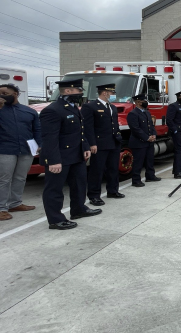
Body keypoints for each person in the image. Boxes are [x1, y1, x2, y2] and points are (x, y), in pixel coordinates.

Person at [39, 78, 102, 230]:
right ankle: (55, 219)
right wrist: (53, 160)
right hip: (60, 157)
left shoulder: (73, 107)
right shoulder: (52, 110)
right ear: (67, 91)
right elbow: (50, 138)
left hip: (76, 154)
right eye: (78, 90)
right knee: (54, 189)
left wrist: (85, 146)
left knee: (79, 184)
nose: (81, 93)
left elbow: (79, 131)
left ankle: (78, 209)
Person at [0, 83, 40, 221]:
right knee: (4, 179)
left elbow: (37, 129)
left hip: (26, 149)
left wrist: (40, 144)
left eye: (5, 93)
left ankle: (15, 203)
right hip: (5, 149)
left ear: (15, 94)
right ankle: (1, 208)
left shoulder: (29, 111)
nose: (2, 96)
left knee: (20, 177)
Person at [81, 83, 125, 206]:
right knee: (97, 170)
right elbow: (88, 127)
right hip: (99, 144)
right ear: (105, 93)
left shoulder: (112, 107)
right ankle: (94, 195)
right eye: (112, 93)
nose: (114, 95)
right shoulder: (90, 106)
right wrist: (92, 143)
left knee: (113, 169)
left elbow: (114, 124)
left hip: (114, 142)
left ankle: (112, 190)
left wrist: (118, 138)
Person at [127, 93, 161, 187]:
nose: (146, 102)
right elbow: (135, 129)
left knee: (150, 160)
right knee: (138, 162)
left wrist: (154, 135)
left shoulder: (146, 112)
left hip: (149, 141)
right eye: (144, 101)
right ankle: (136, 180)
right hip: (139, 142)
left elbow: (151, 125)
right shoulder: (133, 114)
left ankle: (150, 176)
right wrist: (146, 137)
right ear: (138, 102)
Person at [166, 90, 181, 179]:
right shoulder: (173, 106)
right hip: (178, 132)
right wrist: (175, 130)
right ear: (179, 97)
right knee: (179, 151)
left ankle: (178, 169)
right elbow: (169, 120)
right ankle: (178, 172)